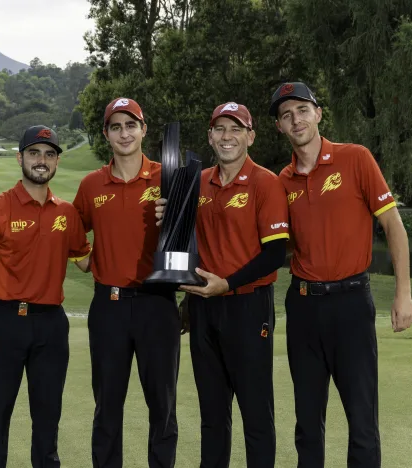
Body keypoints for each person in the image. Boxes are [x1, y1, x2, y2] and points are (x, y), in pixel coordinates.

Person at [268, 82, 412, 467]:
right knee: (307, 423)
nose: (295, 119)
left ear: (318, 113)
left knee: (362, 421)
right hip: (303, 309)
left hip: (351, 305)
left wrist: (404, 294)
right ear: (280, 128)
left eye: (302, 110)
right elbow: (276, 248)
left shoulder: (356, 158)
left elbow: (393, 226)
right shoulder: (280, 182)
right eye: (286, 115)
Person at [157, 102, 290, 467]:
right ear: (210, 137)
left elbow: (275, 254)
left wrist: (227, 284)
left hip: (248, 306)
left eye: (235, 129)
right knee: (212, 415)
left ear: (250, 136)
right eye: (219, 129)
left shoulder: (267, 182)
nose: (226, 136)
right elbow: (183, 240)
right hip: (202, 307)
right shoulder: (196, 182)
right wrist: (166, 219)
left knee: (255, 413)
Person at [0, 125, 91, 468]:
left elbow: (86, 263)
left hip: (51, 325)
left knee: (48, 420)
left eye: (50, 154)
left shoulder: (67, 213)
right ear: (20, 157)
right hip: (2, 323)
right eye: (35, 153)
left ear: (56, 162)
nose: (42, 160)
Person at [72, 97, 181, 468]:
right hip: (110, 307)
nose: (124, 133)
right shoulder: (91, 185)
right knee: (107, 406)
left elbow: (196, 235)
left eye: (131, 125)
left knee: (163, 407)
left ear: (144, 129)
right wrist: (82, 258)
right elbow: (69, 231)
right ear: (106, 134)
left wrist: (175, 221)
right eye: (116, 127)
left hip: (158, 304)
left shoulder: (169, 175)